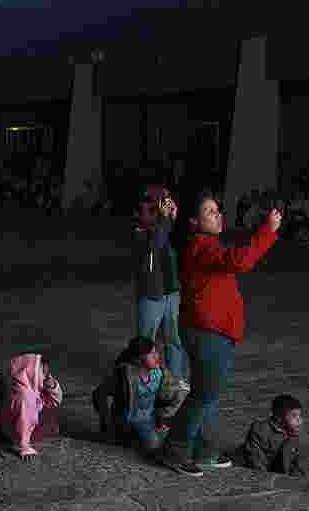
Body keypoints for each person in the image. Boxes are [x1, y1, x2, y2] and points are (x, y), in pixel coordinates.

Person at [158, 191, 281, 477]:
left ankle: (204, 451)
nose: (218, 216)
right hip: (207, 333)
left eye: (218, 211)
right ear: (193, 221)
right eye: (210, 212)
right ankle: (174, 450)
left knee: (209, 396)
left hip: (215, 332)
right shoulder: (200, 246)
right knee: (202, 396)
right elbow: (241, 260)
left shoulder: (206, 244)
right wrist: (267, 232)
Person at [92, 336, 187, 456]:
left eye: (156, 352)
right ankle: (124, 438)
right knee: (154, 447)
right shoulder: (125, 376)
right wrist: (106, 421)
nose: (157, 356)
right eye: (151, 354)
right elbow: (99, 393)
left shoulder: (159, 374)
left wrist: (163, 415)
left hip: (149, 421)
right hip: (127, 423)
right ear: (138, 359)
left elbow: (167, 397)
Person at [133, 186, 189, 386]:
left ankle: (176, 379)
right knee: (146, 342)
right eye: (160, 202)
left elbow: (180, 244)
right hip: (151, 295)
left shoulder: (166, 223)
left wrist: (173, 218)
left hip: (172, 292)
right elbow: (155, 244)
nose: (162, 206)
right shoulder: (139, 230)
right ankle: (143, 381)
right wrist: (165, 218)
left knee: (174, 340)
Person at [0, 353, 63, 461]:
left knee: (49, 411)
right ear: (31, 371)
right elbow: (24, 419)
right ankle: (23, 439)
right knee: (33, 405)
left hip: (28, 424)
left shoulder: (33, 382)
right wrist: (24, 446)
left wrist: (52, 386)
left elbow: (55, 402)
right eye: (43, 371)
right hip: (17, 431)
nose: (47, 375)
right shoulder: (23, 395)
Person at [234, 394, 307, 476]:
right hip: (253, 464)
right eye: (294, 416)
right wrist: (264, 476)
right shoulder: (260, 430)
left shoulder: (293, 432)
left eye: (299, 415)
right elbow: (255, 458)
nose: (299, 420)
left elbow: (294, 459)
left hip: (275, 465)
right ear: (279, 418)